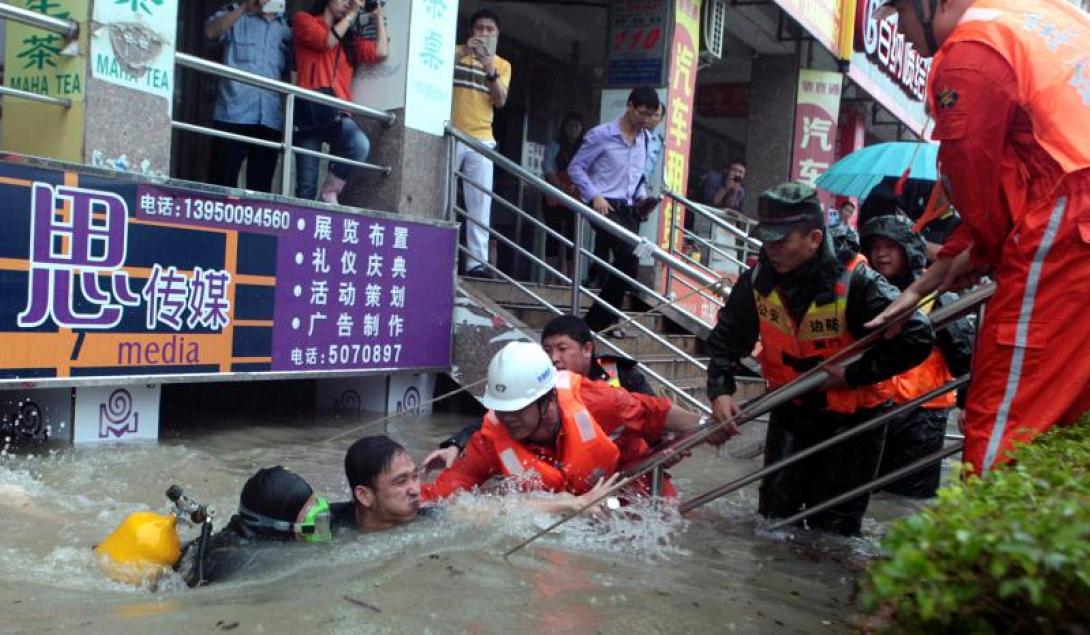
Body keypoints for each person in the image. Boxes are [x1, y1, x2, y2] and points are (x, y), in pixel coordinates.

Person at [867, 0, 1090, 475]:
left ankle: (985, 547)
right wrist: (956, 257)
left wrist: (981, 251)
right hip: (1068, 207)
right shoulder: (1044, 15)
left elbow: (974, 171)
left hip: (1071, 220)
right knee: (1066, 412)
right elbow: (1021, 171)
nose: (902, 31)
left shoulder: (971, 52)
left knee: (1005, 414)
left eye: (902, 12)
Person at [706, 182, 934, 535]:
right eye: (767, 239)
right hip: (792, 410)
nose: (772, 250)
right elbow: (726, 339)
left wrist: (852, 373)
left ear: (814, 238)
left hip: (854, 422)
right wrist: (720, 390)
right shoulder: (758, 279)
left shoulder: (858, 280)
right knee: (773, 521)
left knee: (834, 529)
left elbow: (917, 335)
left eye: (782, 241)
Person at [423, 341, 718, 501]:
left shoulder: (596, 400)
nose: (508, 419)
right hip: (569, 508)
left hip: (630, 486)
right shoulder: (490, 439)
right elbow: (449, 489)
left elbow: (657, 412)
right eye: (501, 411)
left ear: (547, 399)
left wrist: (709, 425)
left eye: (518, 410)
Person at [425, 314, 655, 469]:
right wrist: (455, 444)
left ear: (587, 349)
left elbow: (652, 416)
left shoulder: (619, 374)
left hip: (624, 465)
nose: (554, 358)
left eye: (562, 349)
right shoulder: (543, 383)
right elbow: (495, 420)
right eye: (547, 351)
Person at [860, 215, 974, 497]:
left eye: (890, 247)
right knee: (866, 492)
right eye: (875, 247)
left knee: (910, 497)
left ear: (906, 249)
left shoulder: (938, 298)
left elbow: (965, 353)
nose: (881, 254)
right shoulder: (867, 294)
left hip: (923, 414)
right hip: (875, 407)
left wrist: (968, 403)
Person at [567, 86, 660, 337]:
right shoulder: (601, 135)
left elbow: (636, 177)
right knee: (628, 260)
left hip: (629, 208)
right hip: (603, 205)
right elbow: (576, 168)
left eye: (651, 115)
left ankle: (603, 321)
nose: (646, 120)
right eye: (642, 113)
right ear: (629, 106)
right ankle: (597, 323)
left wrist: (643, 199)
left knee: (627, 264)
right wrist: (594, 194)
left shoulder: (646, 139)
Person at [292, 0, 388, 203]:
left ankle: (329, 192)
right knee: (305, 189)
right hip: (310, 112)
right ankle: (304, 228)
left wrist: (377, 16)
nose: (349, 3)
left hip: (338, 113)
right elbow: (326, 41)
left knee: (359, 145)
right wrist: (352, 14)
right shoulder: (304, 20)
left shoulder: (350, 39)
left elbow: (381, 52)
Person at [176, 466, 331, 586]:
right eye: (311, 519)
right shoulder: (257, 565)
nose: (320, 525)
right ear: (281, 526)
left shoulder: (236, 534)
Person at [204, 0, 293, 193]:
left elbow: (289, 72)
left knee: (261, 188)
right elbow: (210, 32)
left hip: (269, 118)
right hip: (233, 113)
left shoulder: (287, 27)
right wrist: (244, 8)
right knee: (221, 184)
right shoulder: (235, 13)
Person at [452, 8, 512, 278]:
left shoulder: (502, 65)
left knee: (480, 202)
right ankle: (441, 251)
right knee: (443, 197)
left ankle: (476, 262)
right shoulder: (454, 52)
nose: (484, 34)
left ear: (497, 35)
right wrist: (465, 51)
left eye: (490, 29)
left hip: (482, 139)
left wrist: (489, 68)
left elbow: (500, 100)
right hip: (451, 132)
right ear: (470, 31)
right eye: (480, 29)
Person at [542, 112, 585, 276]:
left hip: (576, 194)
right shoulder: (554, 144)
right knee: (553, 235)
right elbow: (547, 167)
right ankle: (548, 278)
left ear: (581, 129)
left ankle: (571, 279)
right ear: (563, 127)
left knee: (572, 237)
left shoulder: (584, 147)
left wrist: (575, 186)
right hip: (554, 193)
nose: (573, 129)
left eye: (576, 126)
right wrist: (561, 186)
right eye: (569, 125)